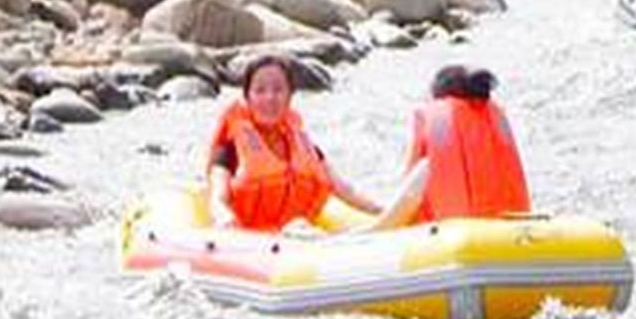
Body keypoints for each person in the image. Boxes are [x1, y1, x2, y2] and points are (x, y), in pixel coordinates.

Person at [206, 56, 383, 232]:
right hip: (248, 239)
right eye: (260, 90)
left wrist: (381, 211)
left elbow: (346, 190)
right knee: (298, 228)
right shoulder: (229, 149)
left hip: (298, 235)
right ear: (248, 98)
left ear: (290, 96)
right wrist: (224, 218)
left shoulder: (306, 148)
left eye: (278, 90)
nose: (270, 98)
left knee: (299, 227)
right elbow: (218, 198)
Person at [368, 65, 530, 231]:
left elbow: (397, 214)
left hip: (462, 242)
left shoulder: (433, 164)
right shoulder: (495, 145)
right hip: (513, 233)